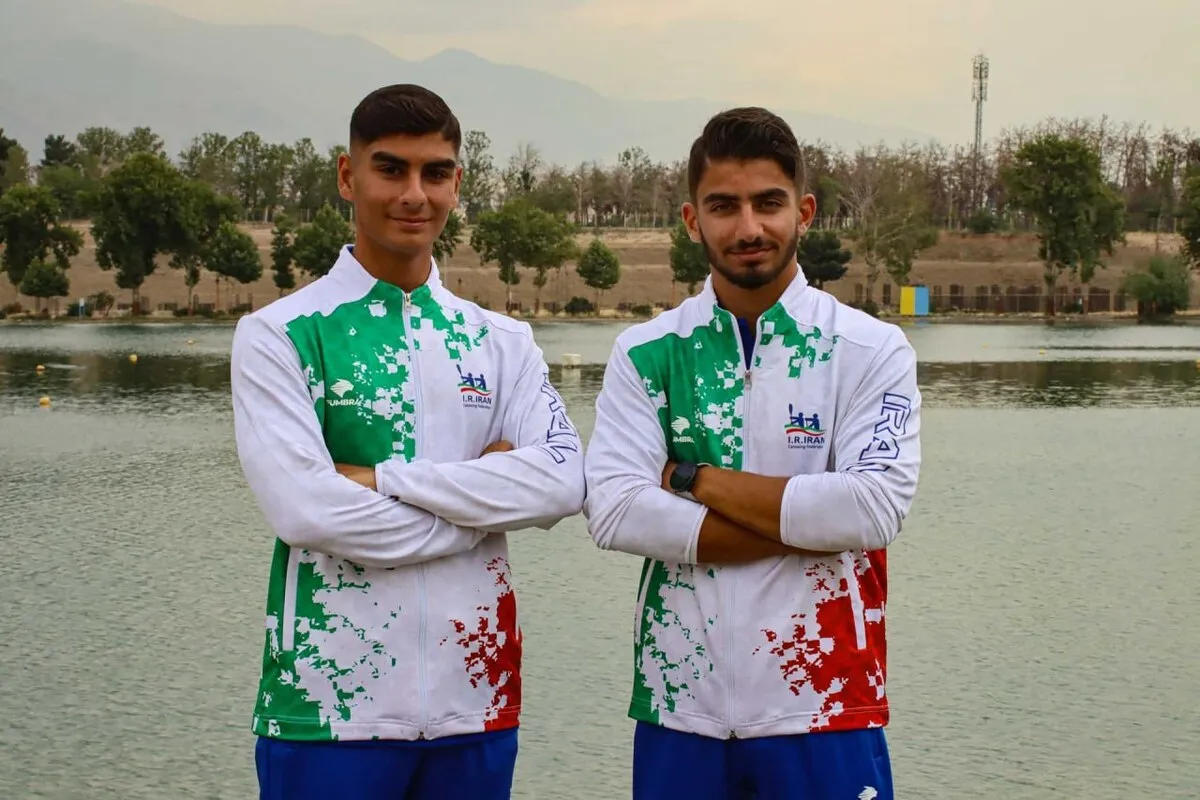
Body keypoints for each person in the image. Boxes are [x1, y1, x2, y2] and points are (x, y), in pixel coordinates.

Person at [230, 83, 585, 800]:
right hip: (327, 709)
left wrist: (382, 479)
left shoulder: (502, 341)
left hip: (477, 703)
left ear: (457, 182)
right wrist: (480, 510)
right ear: (347, 176)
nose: (414, 194)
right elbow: (308, 513)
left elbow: (563, 481)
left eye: (435, 172)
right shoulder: (279, 335)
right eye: (391, 169)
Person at [583, 107, 922, 799]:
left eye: (768, 203)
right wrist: (806, 523)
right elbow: (615, 512)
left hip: (827, 701)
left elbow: (872, 509)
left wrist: (689, 478)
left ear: (804, 212)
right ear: (691, 220)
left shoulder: (869, 348)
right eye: (723, 206)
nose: (748, 228)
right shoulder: (646, 353)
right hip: (680, 706)